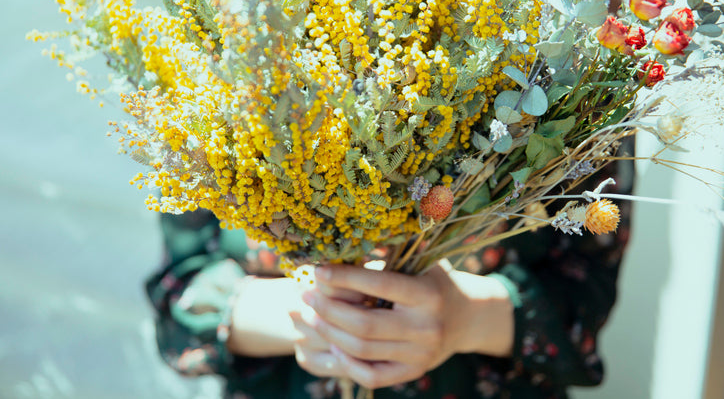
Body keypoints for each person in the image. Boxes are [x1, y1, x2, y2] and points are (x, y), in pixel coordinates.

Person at [145, 138, 634, 399]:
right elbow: (180, 294)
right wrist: (312, 314)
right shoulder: (223, 26)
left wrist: (464, 316)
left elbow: (585, 305)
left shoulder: (565, 37)